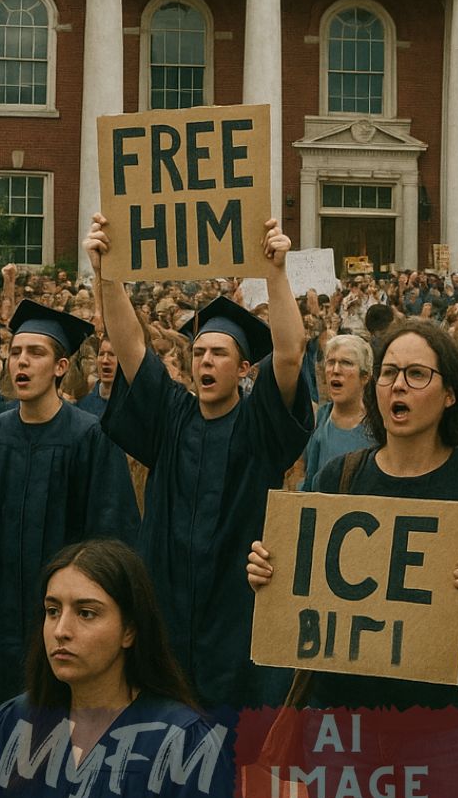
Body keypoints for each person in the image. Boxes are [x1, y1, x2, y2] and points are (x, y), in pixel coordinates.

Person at [248, 319, 458, 798]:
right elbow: (302, 591)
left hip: (449, 736)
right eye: (389, 373)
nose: (398, 384)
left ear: (449, 394)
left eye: (417, 374)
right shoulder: (339, 477)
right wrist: (272, 578)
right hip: (345, 735)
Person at [85, 213, 313, 711]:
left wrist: (275, 273)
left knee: (228, 759)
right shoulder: (172, 416)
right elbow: (131, 348)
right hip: (166, 608)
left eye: (219, 354)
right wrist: (107, 273)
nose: (205, 361)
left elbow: (291, 354)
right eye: (200, 352)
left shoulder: (260, 427)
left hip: (236, 614)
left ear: (245, 368)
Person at [0, 538, 234, 798]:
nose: (60, 631)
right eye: (52, 611)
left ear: (129, 631)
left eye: (86, 613)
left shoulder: (182, 743)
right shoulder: (14, 724)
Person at [0, 301, 139, 709]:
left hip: (64, 621)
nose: (22, 361)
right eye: (16, 352)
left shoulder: (89, 437)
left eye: (35, 353)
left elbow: (111, 534)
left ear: (60, 366)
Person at [300, 333, 375, 491]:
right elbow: (308, 482)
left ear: (365, 376)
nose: (335, 370)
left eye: (346, 363)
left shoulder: (379, 426)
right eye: (331, 362)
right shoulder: (317, 420)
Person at [76, 334, 118, 418]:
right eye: (101, 354)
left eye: (112, 354)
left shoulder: (131, 403)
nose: (105, 360)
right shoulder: (84, 405)